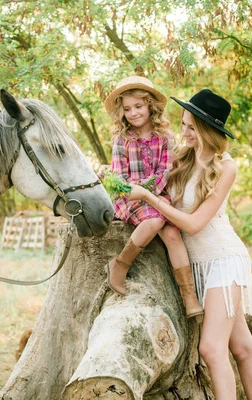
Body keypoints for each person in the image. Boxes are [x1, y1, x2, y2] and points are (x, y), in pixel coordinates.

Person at [128, 89, 252, 398]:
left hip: (222, 260)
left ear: (207, 129)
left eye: (191, 127)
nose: (183, 132)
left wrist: (149, 197)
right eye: (183, 124)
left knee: (212, 348)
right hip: (197, 265)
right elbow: (150, 179)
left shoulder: (225, 167)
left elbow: (193, 223)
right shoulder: (182, 159)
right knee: (242, 348)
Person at [100, 76, 203, 318]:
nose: (133, 113)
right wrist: (134, 191)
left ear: (150, 106)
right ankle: (120, 264)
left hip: (157, 196)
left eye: (138, 106)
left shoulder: (165, 137)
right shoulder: (121, 140)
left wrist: (151, 191)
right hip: (130, 199)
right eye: (127, 109)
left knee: (172, 233)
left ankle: (188, 296)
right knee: (157, 221)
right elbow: (119, 177)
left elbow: (165, 170)